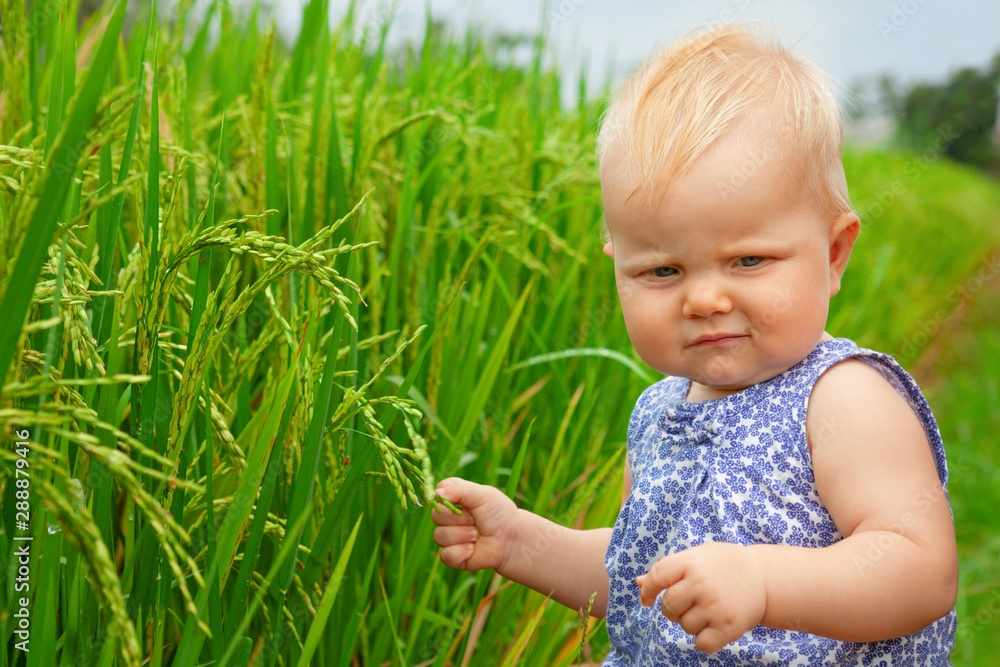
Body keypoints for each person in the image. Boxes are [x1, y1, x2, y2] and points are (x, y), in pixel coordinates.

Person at [431, 23, 957, 665]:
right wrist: (520, 543)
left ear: (834, 252)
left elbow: (918, 568)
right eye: (663, 271)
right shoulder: (659, 413)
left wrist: (763, 584)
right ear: (617, 265)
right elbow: (641, 581)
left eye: (749, 260)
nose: (704, 299)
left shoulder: (844, 397)